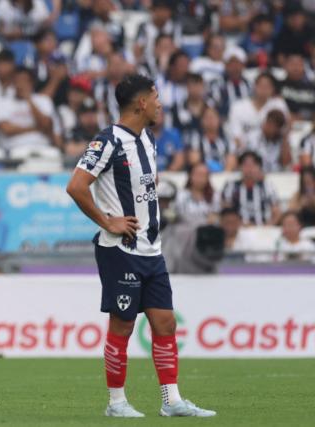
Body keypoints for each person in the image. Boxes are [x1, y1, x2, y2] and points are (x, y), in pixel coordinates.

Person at [66, 74, 215, 418]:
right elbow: (76, 186)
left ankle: (171, 400)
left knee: (165, 323)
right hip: (121, 249)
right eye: (156, 97)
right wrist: (108, 220)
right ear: (141, 103)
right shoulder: (108, 142)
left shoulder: (147, 138)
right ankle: (116, 404)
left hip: (152, 249)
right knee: (123, 326)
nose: (161, 103)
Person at [0, 67, 56, 151]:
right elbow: (6, 129)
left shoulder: (43, 100)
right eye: (17, 81)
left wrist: (28, 100)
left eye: (24, 81)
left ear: (31, 83)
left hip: (42, 148)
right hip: (13, 150)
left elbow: (46, 126)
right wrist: (34, 128)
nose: (20, 84)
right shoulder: (2, 102)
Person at [227, 72, 288, 149]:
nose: (264, 90)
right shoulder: (238, 106)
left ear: (273, 89)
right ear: (254, 86)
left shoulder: (278, 105)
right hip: (244, 151)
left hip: (270, 149)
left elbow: (283, 130)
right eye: (261, 86)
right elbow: (235, 134)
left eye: (267, 86)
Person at [221, 151, 280, 226]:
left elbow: (276, 212)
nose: (249, 169)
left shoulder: (268, 186)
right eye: (246, 165)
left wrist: (267, 227)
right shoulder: (231, 186)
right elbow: (226, 213)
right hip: (238, 230)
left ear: (259, 168)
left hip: (264, 230)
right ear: (240, 167)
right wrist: (241, 225)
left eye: (253, 165)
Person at [188, 106, 237, 172]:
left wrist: (223, 176)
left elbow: (232, 161)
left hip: (223, 176)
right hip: (203, 176)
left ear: (219, 120)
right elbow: (193, 160)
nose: (210, 121)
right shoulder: (196, 139)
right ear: (202, 121)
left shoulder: (227, 139)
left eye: (213, 117)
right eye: (207, 118)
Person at [281, 54, 315, 121]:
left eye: (299, 65)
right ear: (285, 66)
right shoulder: (278, 86)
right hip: (284, 124)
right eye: (292, 64)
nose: (295, 68)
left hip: (310, 124)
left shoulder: (312, 87)